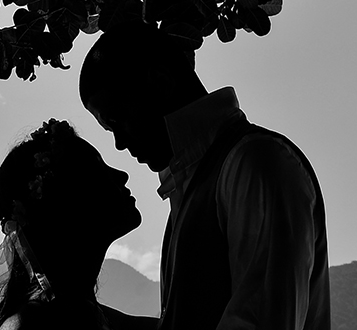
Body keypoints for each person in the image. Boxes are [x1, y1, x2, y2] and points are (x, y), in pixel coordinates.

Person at [80, 21, 331, 330]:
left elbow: (260, 319)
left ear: (160, 83)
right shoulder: (195, 183)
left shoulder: (256, 163)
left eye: (117, 120)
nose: (119, 143)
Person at [0, 118, 146, 330]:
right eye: (96, 170)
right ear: (65, 200)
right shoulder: (35, 323)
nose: (121, 175)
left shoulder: (83, 315)